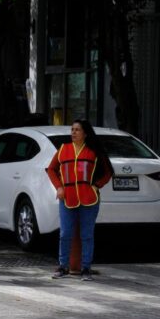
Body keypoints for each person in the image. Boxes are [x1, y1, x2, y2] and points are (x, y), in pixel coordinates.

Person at [46, 119, 113, 281]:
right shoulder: (63, 149)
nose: (73, 133)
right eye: (72, 129)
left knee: (87, 235)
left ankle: (86, 268)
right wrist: (59, 187)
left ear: (85, 133)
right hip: (67, 198)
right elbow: (51, 170)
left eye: (77, 130)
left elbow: (108, 172)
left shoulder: (93, 151)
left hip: (89, 198)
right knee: (65, 233)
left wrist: (96, 186)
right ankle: (62, 266)